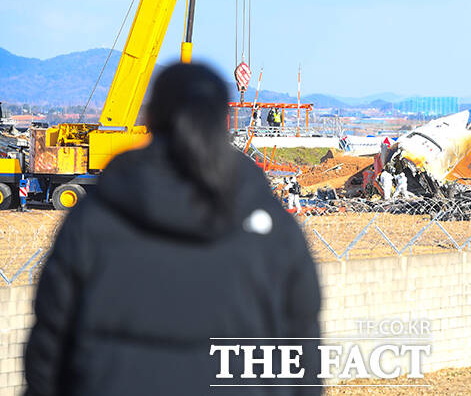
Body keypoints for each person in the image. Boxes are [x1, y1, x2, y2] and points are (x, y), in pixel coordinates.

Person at [24, 63, 321, 396]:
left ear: (150, 117)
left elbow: (48, 350)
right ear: (222, 119)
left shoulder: (93, 221)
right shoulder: (273, 229)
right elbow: (302, 356)